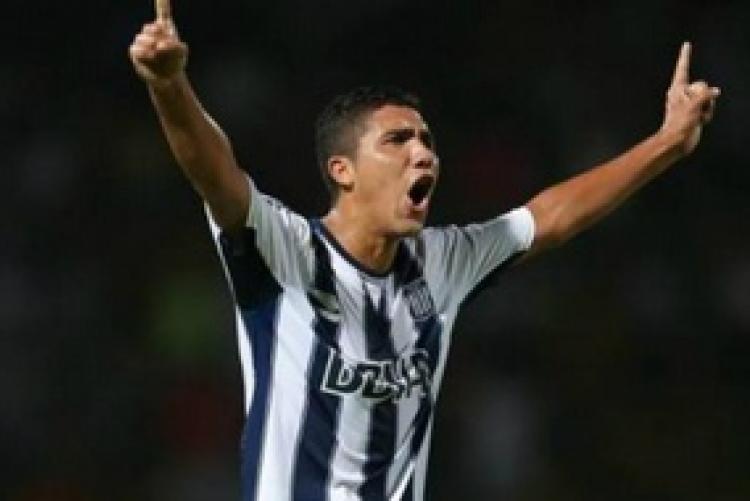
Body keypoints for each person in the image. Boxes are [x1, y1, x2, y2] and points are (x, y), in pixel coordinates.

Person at [129, 0, 719, 499]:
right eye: (398, 140)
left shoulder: (441, 263)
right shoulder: (288, 252)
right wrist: (168, 86)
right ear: (342, 170)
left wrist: (666, 144)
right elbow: (215, 173)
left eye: (427, 140)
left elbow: (551, 217)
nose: (424, 153)